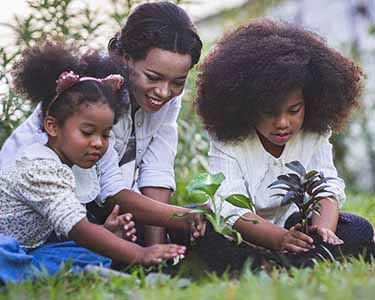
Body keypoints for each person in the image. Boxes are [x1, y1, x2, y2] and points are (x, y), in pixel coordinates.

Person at [0, 1, 203, 246]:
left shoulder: (166, 95)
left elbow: (156, 170)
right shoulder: (93, 96)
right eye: (153, 77)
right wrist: (178, 219)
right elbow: (109, 196)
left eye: (177, 82)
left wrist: (157, 248)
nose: (163, 92)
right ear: (127, 58)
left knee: (200, 225)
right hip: (46, 214)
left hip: (93, 203)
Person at [0, 41, 187, 284]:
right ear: (52, 126)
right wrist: (141, 254)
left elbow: (73, 230)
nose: (98, 143)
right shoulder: (39, 168)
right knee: (7, 254)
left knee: (86, 251)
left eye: (106, 134)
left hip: (32, 249)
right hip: (9, 246)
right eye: (87, 132)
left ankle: (66, 273)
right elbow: (78, 227)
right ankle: (56, 275)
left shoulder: (69, 163)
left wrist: (107, 234)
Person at [195, 19, 374, 262]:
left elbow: (325, 187)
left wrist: (323, 231)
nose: (282, 122)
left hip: (296, 226)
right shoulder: (229, 140)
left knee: (358, 228)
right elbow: (230, 208)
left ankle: (291, 257)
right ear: (246, 106)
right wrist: (279, 239)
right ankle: (287, 257)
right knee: (204, 233)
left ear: (309, 102)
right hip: (243, 233)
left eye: (293, 110)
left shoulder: (313, 131)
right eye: (269, 112)